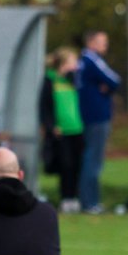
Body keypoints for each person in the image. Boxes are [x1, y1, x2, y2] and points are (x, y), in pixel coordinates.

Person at [76, 30, 121, 214]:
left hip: (88, 116)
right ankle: (90, 203)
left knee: (90, 157)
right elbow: (115, 80)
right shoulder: (92, 60)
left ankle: (89, 201)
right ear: (91, 42)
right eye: (102, 41)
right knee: (93, 160)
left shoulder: (82, 62)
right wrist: (107, 88)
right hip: (96, 117)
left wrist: (105, 88)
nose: (105, 45)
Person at [39, 49, 85, 214]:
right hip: (61, 131)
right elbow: (44, 107)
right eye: (73, 61)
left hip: (77, 128)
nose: (76, 65)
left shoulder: (73, 80)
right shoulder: (50, 79)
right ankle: (66, 198)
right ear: (64, 63)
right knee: (66, 165)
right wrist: (51, 126)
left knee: (77, 165)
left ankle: (75, 197)